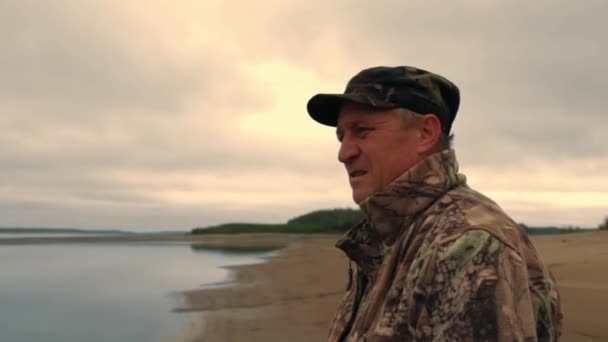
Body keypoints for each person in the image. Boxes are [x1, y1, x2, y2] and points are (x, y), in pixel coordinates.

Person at [306, 66, 562, 341]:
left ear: (425, 133)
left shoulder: (467, 246)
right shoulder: (386, 239)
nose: (344, 153)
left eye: (362, 131)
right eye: (342, 136)